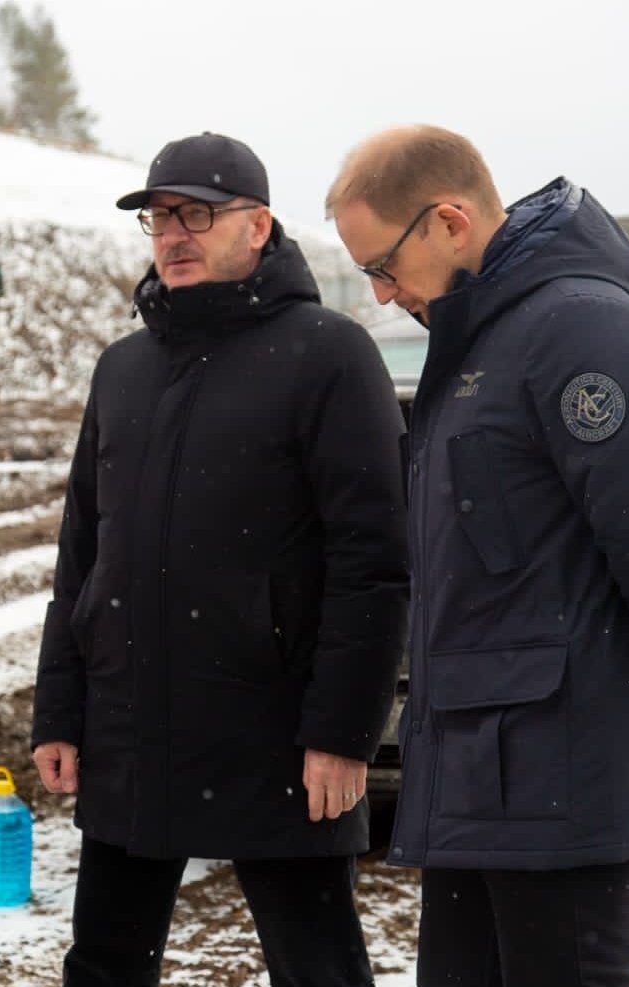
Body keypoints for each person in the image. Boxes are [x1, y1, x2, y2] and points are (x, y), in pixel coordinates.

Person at [325, 124, 629, 987]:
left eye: (383, 266)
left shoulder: (577, 329)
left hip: (560, 788)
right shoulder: (479, 337)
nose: (380, 293)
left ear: (449, 222)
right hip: (478, 783)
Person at [30, 132, 410, 987]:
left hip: (275, 736)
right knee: (103, 966)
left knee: (318, 968)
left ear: (258, 225)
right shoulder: (122, 369)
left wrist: (344, 732)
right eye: (160, 217)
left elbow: (374, 562)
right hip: (132, 729)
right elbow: (82, 554)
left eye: (196, 214)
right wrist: (60, 709)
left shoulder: (328, 354)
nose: (173, 234)